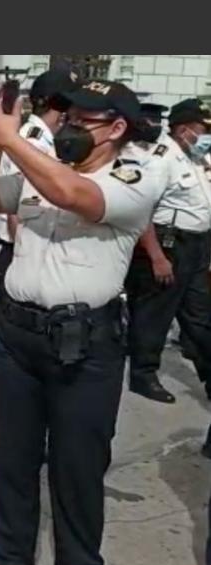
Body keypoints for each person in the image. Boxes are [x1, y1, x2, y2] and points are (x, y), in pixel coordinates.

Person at [0, 79, 163, 565]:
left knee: (77, 474)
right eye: (66, 118)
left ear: (116, 128)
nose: (69, 127)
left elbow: (75, 195)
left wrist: (12, 140)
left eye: (82, 121)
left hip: (86, 345)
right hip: (14, 338)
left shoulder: (136, 175)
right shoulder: (40, 173)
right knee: (10, 467)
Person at [0, 67, 75, 469]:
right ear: (54, 104)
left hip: (36, 251)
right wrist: (26, 253)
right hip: (20, 251)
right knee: (5, 356)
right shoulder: (31, 140)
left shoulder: (48, 140)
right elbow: (19, 206)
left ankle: (23, 438)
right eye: (68, 104)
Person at [124, 98, 211, 405]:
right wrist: (157, 256)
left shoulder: (196, 160)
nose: (206, 137)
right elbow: (142, 211)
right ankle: (143, 374)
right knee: (155, 312)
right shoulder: (162, 159)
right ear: (184, 129)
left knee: (200, 314)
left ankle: (206, 368)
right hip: (170, 243)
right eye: (203, 130)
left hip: (199, 246)